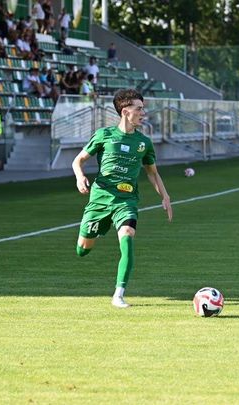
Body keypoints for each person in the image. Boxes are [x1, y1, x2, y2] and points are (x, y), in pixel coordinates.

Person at [72, 89, 173, 308]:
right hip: (100, 200)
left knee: (127, 235)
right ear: (126, 111)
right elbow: (77, 161)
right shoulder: (104, 135)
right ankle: (95, 231)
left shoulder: (144, 143)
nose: (143, 113)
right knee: (82, 250)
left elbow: (152, 173)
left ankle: (118, 294)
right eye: (139, 109)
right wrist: (80, 177)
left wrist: (165, 196)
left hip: (126, 201)